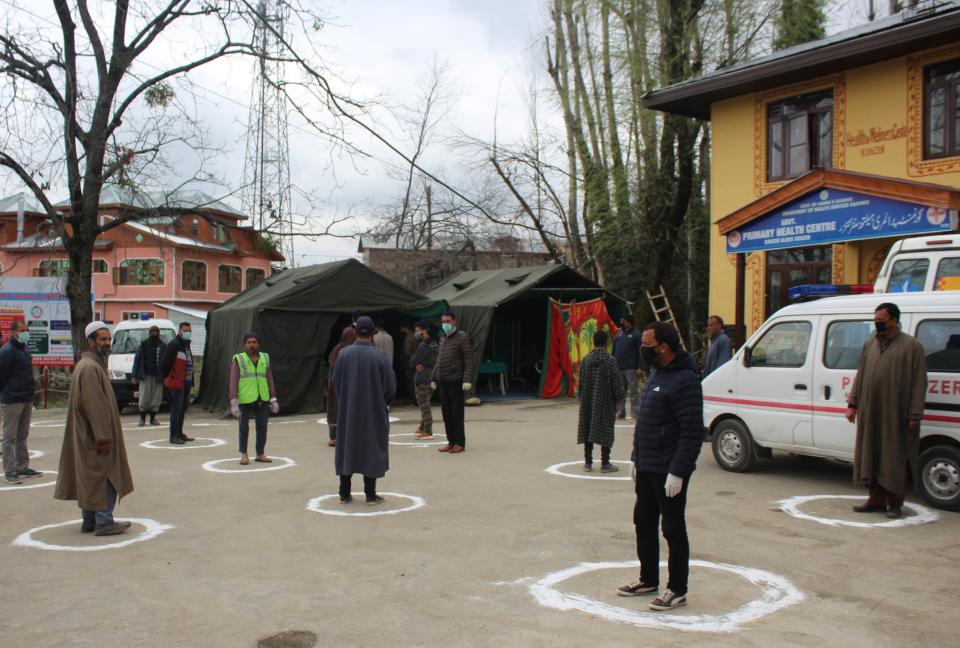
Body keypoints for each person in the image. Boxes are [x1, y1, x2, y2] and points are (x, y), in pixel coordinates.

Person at [618, 321, 703, 612]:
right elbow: (646, 423)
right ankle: (648, 579)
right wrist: (635, 457)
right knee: (643, 521)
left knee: (672, 528)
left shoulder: (685, 380)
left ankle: (677, 589)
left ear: (663, 347)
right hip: (647, 464)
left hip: (668, 469)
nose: (642, 349)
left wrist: (679, 470)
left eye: (647, 344)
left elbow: (692, 431)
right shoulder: (658, 373)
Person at [846, 302, 927, 519]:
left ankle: (893, 503)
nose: (877, 324)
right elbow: (860, 374)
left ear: (893, 321)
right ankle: (875, 500)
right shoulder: (870, 343)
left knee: (893, 458)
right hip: (871, 411)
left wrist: (914, 414)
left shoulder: (912, 346)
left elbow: (920, 383)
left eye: (881, 321)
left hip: (896, 413)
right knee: (872, 454)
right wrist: (853, 404)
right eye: (875, 320)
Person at [54, 321, 134, 536]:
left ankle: (89, 520)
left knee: (89, 475)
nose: (107, 344)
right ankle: (104, 520)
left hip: (87, 436)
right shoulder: (90, 369)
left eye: (109, 340)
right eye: (103, 340)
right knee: (104, 474)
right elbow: (95, 406)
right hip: (95, 436)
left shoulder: (90, 366)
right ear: (91, 342)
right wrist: (103, 437)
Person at [332, 316, 396, 505]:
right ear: (373, 331)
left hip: (348, 410)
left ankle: (344, 493)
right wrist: (384, 400)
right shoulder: (380, 357)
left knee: (347, 446)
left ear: (355, 331)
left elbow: (336, 382)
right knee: (372, 447)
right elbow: (390, 387)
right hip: (374, 410)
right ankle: (370, 493)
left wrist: (345, 399)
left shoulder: (344, 355)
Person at [577, 330, 625, 473]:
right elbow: (616, 382)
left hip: (588, 400)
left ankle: (588, 463)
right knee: (606, 430)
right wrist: (619, 399)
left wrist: (581, 397)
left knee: (587, 428)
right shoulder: (610, 360)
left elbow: (581, 382)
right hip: (605, 401)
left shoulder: (586, 360)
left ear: (594, 342)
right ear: (606, 343)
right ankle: (605, 463)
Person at [229, 332, 279, 465]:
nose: (252, 345)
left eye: (254, 342)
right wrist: (233, 400)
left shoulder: (265, 358)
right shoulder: (238, 359)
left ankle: (260, 453)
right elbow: (233, 380)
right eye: (249, 342)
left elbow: (269, 378)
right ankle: (244, 454)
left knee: (262, 427)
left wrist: (273, 397)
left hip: (262, 398)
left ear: (259, 344)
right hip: (245, 399)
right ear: (245, 345)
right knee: (243, 428)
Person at [0, 320, 40, 484]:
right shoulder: (7, 351)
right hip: (12, 399)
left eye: (27, 330)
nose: (26, 333)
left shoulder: (25, 349)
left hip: (26, 398)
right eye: (22, 330)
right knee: (9, 437)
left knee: (22, 435)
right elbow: (2, 375)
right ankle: (10, 471)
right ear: (13, 332)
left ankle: (22, 467)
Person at [431, 311, 475, 454]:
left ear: (454, 322)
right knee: (446, 414)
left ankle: (460, 443)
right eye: (443, 321)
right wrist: (433, 378)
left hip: (455, 381)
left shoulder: (462, 337)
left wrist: (467, 379)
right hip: (443, 381)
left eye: (448, 321)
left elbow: (469, 359)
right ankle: (451, 441)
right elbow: (439, 360)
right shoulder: (443, 338)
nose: (445, 324)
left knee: (457, 414)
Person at [162, 322, 195, 445]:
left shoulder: (186, 345)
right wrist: (168, 379)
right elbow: (166, 364)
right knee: (176, 409)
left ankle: (180, 433)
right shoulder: (174, 345)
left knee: (182, 409)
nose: (188, 332)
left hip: (186, 382)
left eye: (189, 330)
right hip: (177, 383)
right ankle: (173, 435)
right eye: (185, 330)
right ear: (180, 330)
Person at [326, 326, 357, 447]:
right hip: (336, 385)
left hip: (344, 384)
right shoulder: (339, 350)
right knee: (335, 410)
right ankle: (334, 437)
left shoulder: (347, 349)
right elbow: (335, 366)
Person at [131, 324, 166, 426]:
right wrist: (134, 375)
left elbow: (167, 361)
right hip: (145, 376)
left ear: (158, 334)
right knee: (144, 397)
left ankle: (153, 419)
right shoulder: (143, 345)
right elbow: (137, 361)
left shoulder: (163, 346)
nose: (154, 334)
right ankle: (142, 418)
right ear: (149, 333)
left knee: (156, 398)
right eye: (152, 332)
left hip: (158, 376)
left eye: (156, 332)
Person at [410, 320, 438, 440]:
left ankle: (427, 430)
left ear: (425, 330)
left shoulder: (423, 346)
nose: (416, 333)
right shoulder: (435, 344)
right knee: (426, 403)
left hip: (423, 378)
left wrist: (419, 364)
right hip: (431, 377)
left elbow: (412, 361)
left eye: (417, 330)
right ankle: (422, 427)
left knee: (424, 405)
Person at [613, 314, 642, 419]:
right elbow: (614, 351)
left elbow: (641, 352)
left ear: (629, 322)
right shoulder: (618, 336)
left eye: (623, 321)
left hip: (632, 368)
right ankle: (621, 412)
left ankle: (635, 413)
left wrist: (640, 367)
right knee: (620, 392)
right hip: (618, 367)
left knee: (633, 392)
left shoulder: (637, 335)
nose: (621, 324)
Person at [399, 321, 418, 399]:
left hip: (409, 363)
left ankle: (414, 400)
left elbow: (407, 352)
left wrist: (401, 359)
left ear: (404, 327)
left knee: (410, 383)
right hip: (416, 362)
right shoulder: (415, 336)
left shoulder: (408, 338)